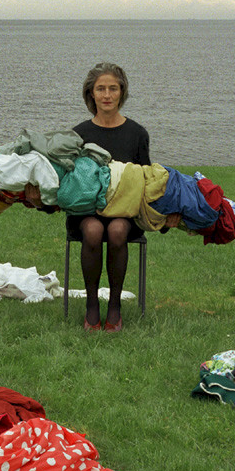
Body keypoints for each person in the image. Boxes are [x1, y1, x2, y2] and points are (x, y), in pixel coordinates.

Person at [64, 62, 180, 332]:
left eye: (113, 89)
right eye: (100, 89)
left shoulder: (137, 133)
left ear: (122, 92)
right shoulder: (79, 134)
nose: (107, 95)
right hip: (87, 213)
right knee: (93, 230)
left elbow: (148, 181)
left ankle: (114, 306)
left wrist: (164, 219)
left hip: (125, 213)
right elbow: (69, 183)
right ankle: (92, 305)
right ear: (91, 93)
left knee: (116, 230)